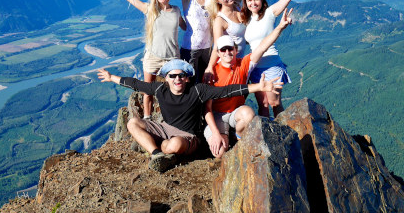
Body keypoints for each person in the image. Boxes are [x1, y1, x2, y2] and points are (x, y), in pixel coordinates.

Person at [97, 59, 283, 172]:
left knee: (175, 144)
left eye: (181, 76)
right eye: (172, 76)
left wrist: (260, 87)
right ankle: (156, 155)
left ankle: (157, 146)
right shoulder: (159, 88)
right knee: (132, 123)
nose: (177, 79)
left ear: (186, 77)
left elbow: (227, 91)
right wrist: (111, 77)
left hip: (188, 136)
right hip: (164, 128)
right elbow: (136, 84)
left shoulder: (197, 90)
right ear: (166, 78)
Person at [90, 0, 186, 118]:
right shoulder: (149, 9)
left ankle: (174, 117)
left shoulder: (176, 11)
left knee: (176, 90)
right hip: (153, 57)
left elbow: (186, 26)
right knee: (147, 90)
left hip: (172, 58)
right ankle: (147, 118)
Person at [204, 8, 293, 158]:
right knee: (219, 154)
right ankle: (225, 135)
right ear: (218, 53)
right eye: (223, 50)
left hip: (236, 113)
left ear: (235, 49)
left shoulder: (243, 64)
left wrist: (280, 27)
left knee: (249, 114)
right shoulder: (211, 74)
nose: (227, 53)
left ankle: (238, 136)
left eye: (230, 49)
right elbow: (207, 109)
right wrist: (215, 133)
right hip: (218, 116)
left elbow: (263, 46)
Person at [243, 0, 327, 118]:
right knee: (263, 105)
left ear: (262, 0)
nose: (253, 3)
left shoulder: (269, 13)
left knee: (274, 103)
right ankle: (266, 136)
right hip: (254, 67)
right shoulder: (246, 20)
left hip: (271, 65)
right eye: (249, 0)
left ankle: (282, 132)